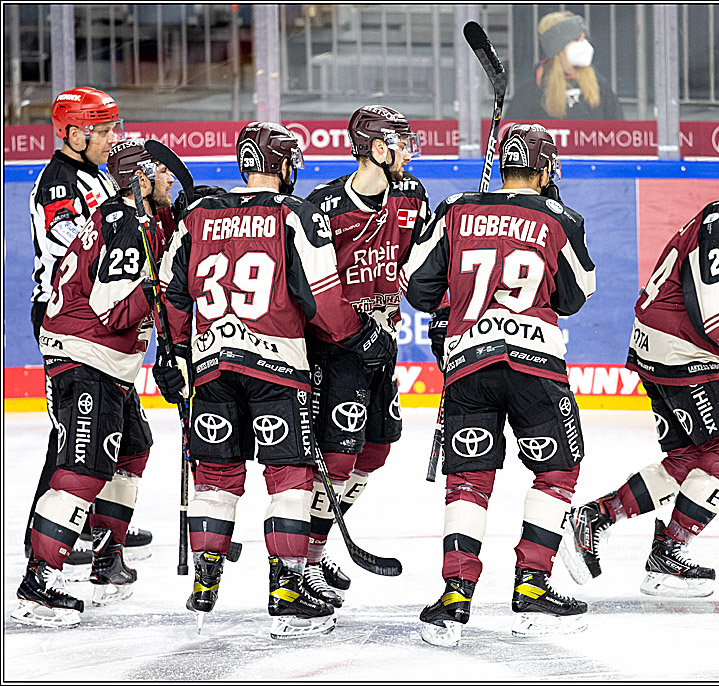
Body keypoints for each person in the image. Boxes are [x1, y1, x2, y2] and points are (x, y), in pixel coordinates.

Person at [155, 121, 394, 639]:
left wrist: (173, 354)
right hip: (277, 368)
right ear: (284, 165)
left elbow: (172, 293)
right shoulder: (295, 214)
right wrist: (360, 336)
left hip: (211, 366)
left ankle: (206, 579)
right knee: (289, 476)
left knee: (216, 476)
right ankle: (287, 589)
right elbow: (323, 300)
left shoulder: (199, 214)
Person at [559, 136, 719, 599]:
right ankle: (666, 554)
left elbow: (717, 310)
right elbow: (718, 316)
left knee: (689, 459)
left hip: (663, 347)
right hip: (681, 353)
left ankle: (597, 520)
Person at [403, 123, 597, 647]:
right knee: (557, 471)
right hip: (535, 367)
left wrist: (449, 308)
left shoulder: (456, 208)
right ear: (545, 169)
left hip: (469, 366)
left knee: (468, 481)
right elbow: (575, 296)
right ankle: (532, 587)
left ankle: (454, 596)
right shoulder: (560, 218)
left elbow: (417, 287)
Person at [11, 138, 178, 628]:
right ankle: (38, 583)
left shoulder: (134, 217)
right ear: (140, 179)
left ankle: (107, 558)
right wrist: (164, 289)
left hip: (103, 360)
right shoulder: (125, 224)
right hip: (85, 357)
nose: (170, 178)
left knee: (133, 448)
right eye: (160, 172)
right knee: (83, 468)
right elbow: (112, 310)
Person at [301, 105, 430, 607]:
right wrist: (353, 333)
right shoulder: (323, 205)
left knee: (375, 450)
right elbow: (311, 285)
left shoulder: (412, 195)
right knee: (337, 455)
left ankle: (316, 544)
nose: (409, 152)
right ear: (377, 148)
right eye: (401, 143)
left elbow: (427, 262)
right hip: (335, 349)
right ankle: (306, 559)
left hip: (383, 343)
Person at [25, 87, 154, 570]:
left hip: (96, 321)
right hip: (69, 318)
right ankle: (41, 539)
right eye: (102, 131)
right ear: (74, 134)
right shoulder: (59, 184)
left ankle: (95, 522)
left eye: (113, 128)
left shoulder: (96, 174)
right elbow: (78, 249)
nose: (112, 138)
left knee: (111, 429)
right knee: (73, 435)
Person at [506, 11, 623, 121]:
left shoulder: (599, 86)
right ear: (557, 48)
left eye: (584, 38)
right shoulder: (531, 92)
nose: (584, 44)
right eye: (576, 39)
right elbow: (508, 132)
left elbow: (618, 128)